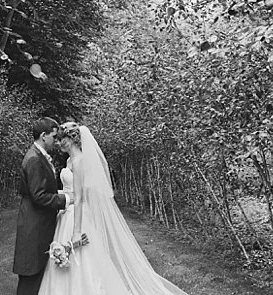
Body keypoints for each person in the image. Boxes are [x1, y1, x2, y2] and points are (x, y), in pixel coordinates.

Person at [37, 122, 193, 295]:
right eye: (58, 139)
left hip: (77, 217)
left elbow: (80, 198)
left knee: (84, 261)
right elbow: (71, 190)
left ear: (71, 139)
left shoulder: (80, 161)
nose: (59, 143)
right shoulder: (69, 160)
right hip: (67, 214)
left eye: (62, 139)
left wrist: (76, 231)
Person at [14, 117, 72, 295]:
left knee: (37, 273)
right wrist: (67, 199)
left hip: (38, 221)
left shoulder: (39, 155)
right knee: (31, 273)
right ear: (43, 135)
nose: (56, 141)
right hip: (34, 224)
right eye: (54, 137)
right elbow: (39, 196)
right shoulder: (34, 159)